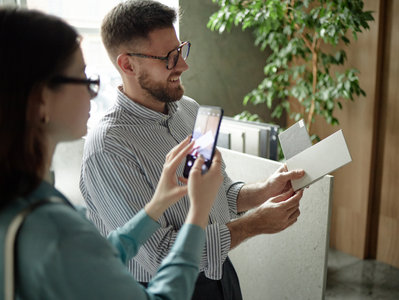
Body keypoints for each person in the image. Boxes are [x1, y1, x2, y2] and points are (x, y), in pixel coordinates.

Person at [80, 0, 306, 299]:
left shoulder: (189, 110)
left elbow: (218, 193)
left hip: (220, 273)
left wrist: (263, 190)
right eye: (169, 58)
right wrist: (255, 224)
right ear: (127, 64)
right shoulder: (107, 148)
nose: (184, 65)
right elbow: (158, 255)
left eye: (182, 50)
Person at [0, 6, 224, 300]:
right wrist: (198, 213)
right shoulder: (53, 227)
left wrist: (155, 206)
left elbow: (96, 255)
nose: (93, 93)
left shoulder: (22, 200)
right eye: (84, 79)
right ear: (42, 100)